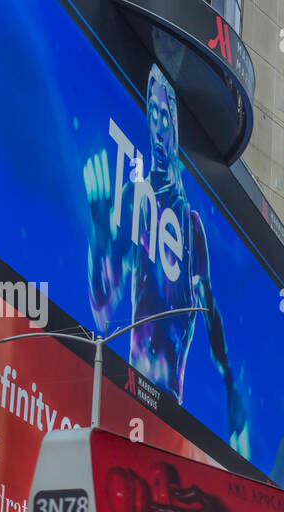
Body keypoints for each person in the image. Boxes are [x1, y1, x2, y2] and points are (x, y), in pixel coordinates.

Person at [84, 65, 248, 453]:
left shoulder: (191, 229)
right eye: (151, 115)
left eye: (165, 117)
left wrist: (230, 388)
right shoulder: (134, 197)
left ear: (174, 124)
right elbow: (102, 306)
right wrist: (98, 228)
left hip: (171, 416)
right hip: (128, 399)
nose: (158, 128)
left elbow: (212, 317)